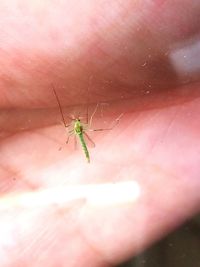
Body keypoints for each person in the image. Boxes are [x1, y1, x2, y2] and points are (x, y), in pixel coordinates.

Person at [0, 0, 200, 266]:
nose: (75, 121)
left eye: (77, 122)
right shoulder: (77, 125)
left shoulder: (76, 126)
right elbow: (76, 122)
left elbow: (77, 123)